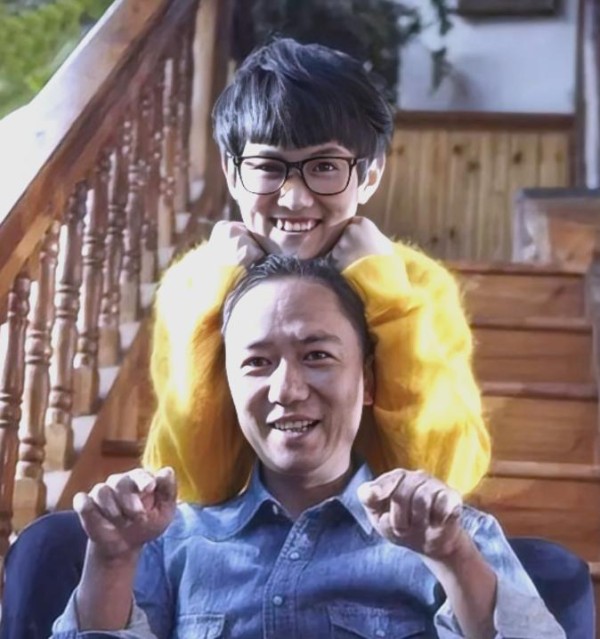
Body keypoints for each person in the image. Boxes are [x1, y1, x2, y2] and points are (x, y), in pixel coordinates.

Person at [51, 256, 564, 638]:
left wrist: (452, 558)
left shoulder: (452, 534)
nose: (287, 389)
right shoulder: (172, 542)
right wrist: (112, 560)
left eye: (316, 355)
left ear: (367, 383)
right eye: (257, 363)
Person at [143, 38, 490, 507]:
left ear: (369, 176)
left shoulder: (419, 286)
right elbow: (188, 484)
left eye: (325, 166)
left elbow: (443, 475)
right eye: (269, 167)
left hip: (378, 540)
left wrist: (388, 301)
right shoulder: (193, 285)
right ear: (231, 172)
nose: (294, 198)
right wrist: (212, 303)